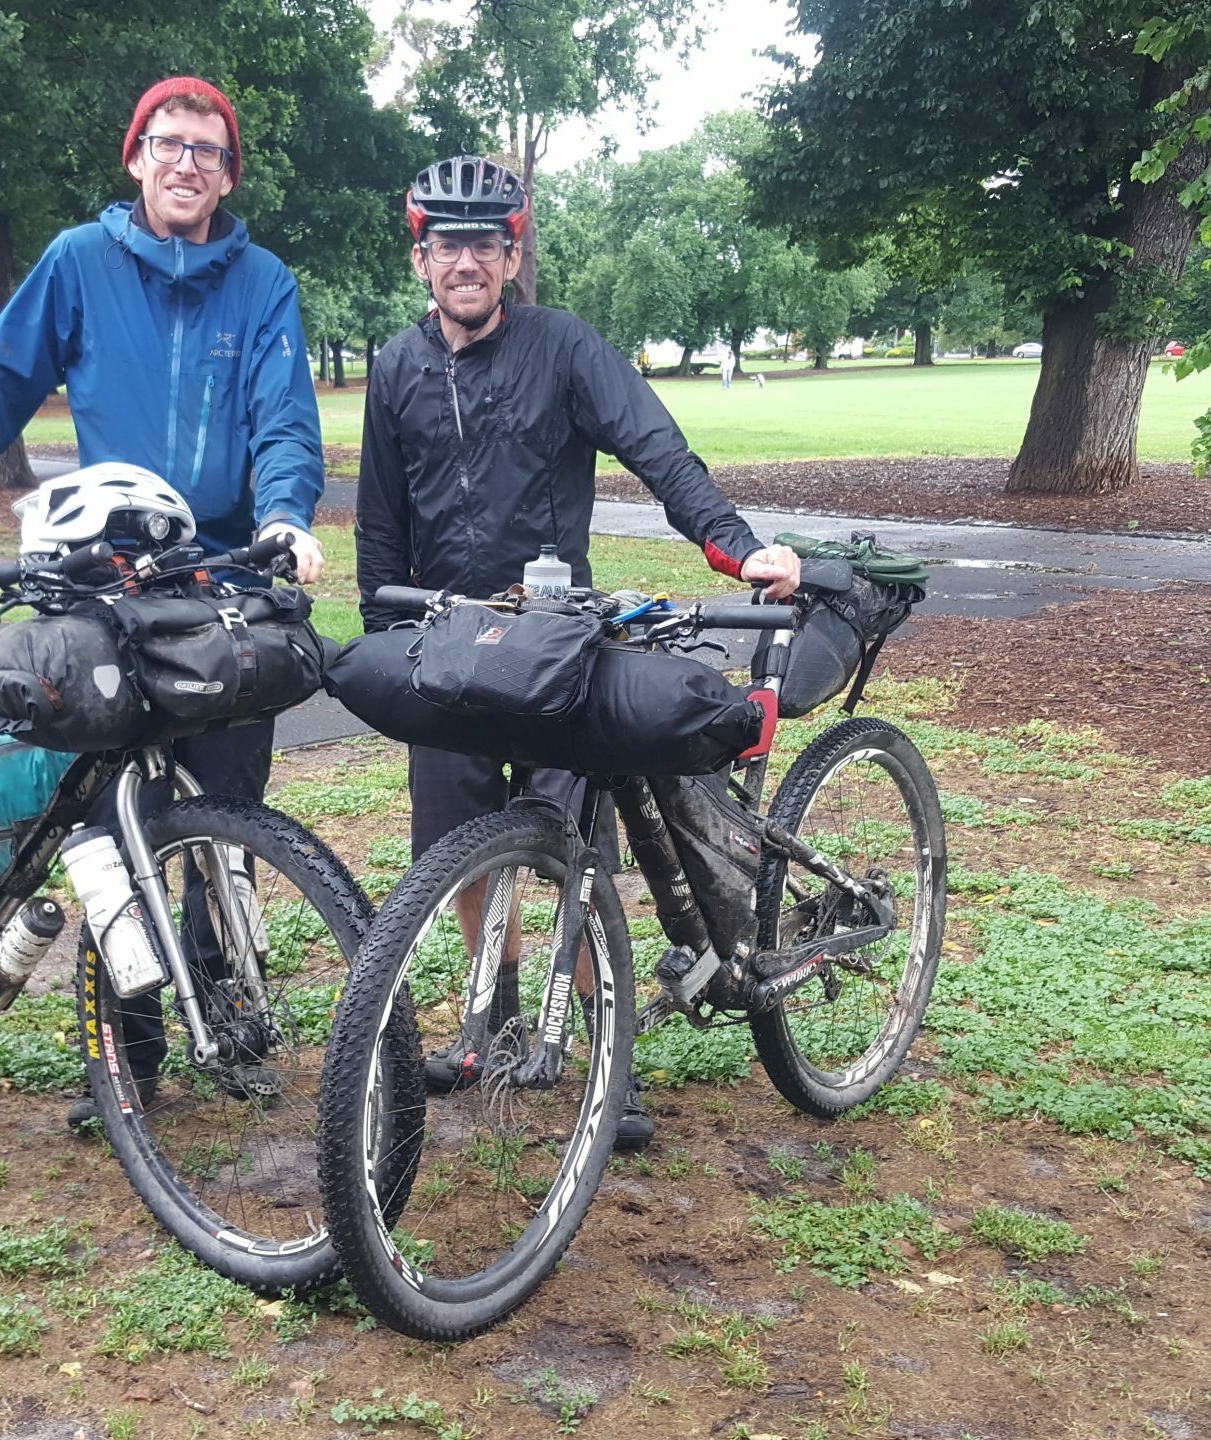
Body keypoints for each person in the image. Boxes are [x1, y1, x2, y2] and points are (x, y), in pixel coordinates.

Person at [0, 75, 327, 1129]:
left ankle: (226, 1005)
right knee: (114, 821)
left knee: (221, 813)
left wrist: (288, 517)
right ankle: (131, 1050)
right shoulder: (78, 263)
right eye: (169, 144)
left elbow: (283, 424)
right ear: (136, 155)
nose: (187, 165)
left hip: (224, 590)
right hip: (108, 590)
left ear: (227, 174)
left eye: (208, 152)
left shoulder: (262, 285)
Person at [354, 156, 803, 1151]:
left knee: (574, 857)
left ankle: (611, 1056)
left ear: (512, 256)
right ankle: (490, 1021)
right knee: (459, 852)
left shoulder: (563, 347)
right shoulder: (394, 367)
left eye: (484, 244)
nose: (464, 262)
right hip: (444, 643)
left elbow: (656, 447)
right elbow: (379, 523)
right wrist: (384, 640)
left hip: (555, 645)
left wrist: (734, 544)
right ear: (421, 257)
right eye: (446, 245)